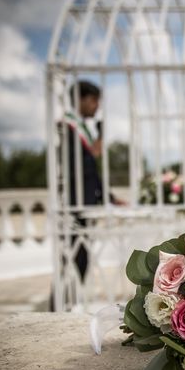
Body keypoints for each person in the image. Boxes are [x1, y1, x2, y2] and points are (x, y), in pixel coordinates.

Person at [51, 80, 123, 311]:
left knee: (80, 259)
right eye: (93, 100)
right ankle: (59, 306)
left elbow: (90, 172)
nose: (96, 106)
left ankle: (66, 304)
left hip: (85, 202)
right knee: (73, 260)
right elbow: (81, 169)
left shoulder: (78, 129)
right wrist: (95, 148)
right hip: (75, 203)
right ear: (80, 99)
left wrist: (109, 198)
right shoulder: (67, 128)